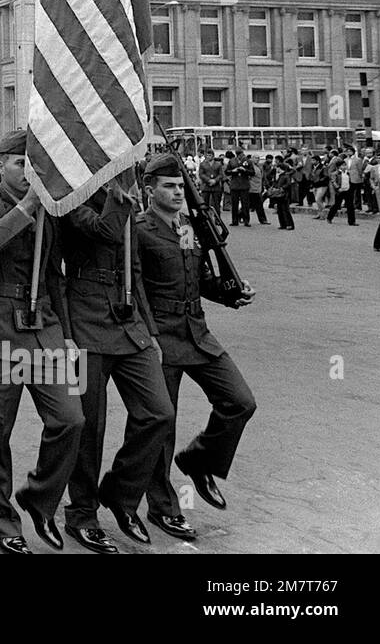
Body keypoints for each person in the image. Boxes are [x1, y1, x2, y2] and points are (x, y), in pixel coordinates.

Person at [0, 128, 84, 556]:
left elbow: (57, 276)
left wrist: (68, 337)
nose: (28, 171)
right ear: (0, 165)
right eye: (20, 163)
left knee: (71, 418)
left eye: (34, 164)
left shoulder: (50, 209)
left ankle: (39, 497)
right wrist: (28, 206)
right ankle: (1, 522)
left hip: (45, 328)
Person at [138, 153, 257, 541]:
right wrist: (145, 337)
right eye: (169, 187)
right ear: (149, 189)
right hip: (161, 336)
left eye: (179, 187)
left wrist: (229, 293)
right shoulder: (139, 229)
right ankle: (163, 507)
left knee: (240, 401)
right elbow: (135, 288)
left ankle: (199, 459)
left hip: (196, 331)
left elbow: (199, 277)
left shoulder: (189, 228)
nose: (176, 193)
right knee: (162, 424)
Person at [60, 175, 174, 554]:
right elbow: (105, 230)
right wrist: (117, 196)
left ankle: (120, 495)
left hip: (128, 322)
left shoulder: (125, 197)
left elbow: (135, 269)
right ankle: (82, 515)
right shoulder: (72, 196)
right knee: (89, 426)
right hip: (85, 318)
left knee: (158, 412)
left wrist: (150, 328)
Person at [225, 151, 252, 227]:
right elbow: (226, 172)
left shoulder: (248, 161)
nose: (240, 156)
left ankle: (246, 221)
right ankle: (234, 221)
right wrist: (233, 171)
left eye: (241, 154)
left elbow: (252, 172)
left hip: (244, 185)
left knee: (245, 204)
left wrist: (245, 170)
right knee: (234, 204)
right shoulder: (232, 161)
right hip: (234, 185)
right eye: (238, 155)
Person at [326, 160, 357, 226]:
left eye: (345, 165)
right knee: (336, 205)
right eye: (342, 165)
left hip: (348, 190)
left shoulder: (348, 173)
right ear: (338, 167)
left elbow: (351, 181)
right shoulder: (335, 173)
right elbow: (333, 181)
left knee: (350, 206)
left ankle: (352, 222)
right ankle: (329, 218)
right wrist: (338, 188)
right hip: (340, 191)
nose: (344, 167)